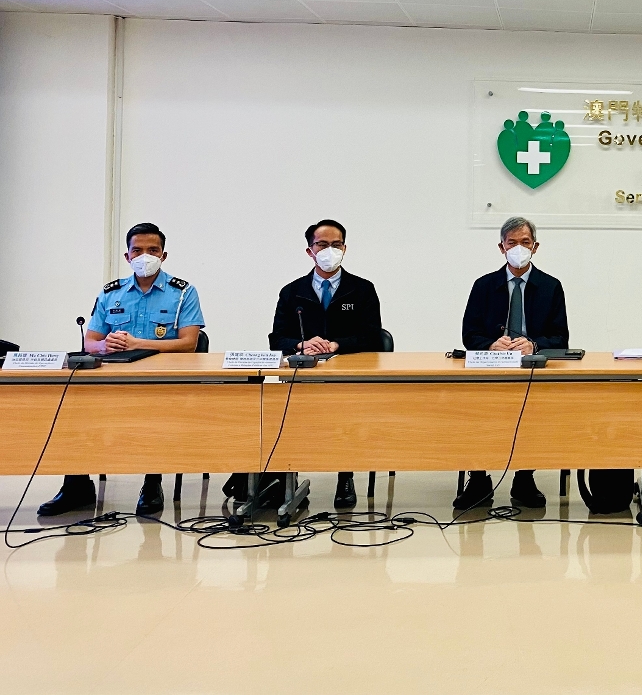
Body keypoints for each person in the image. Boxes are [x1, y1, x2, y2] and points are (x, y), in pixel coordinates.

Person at [38, 223, 206, 517]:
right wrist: (104, 346)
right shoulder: (111, 293)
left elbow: (190, 343)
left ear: (163, 255)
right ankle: (77, 486)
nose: (145, 256)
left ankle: (152, 483)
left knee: (154, 413)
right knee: (73, 407)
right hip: (114, 380)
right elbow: (90, 342)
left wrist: (139, 343)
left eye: (152, 250)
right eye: (137, 250)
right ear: (127, 257)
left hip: (162, 382)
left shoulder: (183, 292)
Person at [239, 219, 384, 510]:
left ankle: (345, 475)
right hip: (303, 376)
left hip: (348, 376)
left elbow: (372, 336)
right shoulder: (292, 291)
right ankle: (286, 478)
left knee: (346, 420)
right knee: (283, 413)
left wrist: (337, 344)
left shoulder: (362, 289)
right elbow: (277, 338)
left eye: (336, 244)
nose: (330, 250)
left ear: (345, 248)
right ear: (310, 251)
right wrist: (300, 344)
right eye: (322, 245)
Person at [457, 216, 569, 510]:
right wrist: (490, 344)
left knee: (534, 412)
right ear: (501, 247)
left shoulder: (550, 286)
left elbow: (560, 337)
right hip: (491, 368)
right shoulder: (484, 286)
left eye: (525, 242)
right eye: (512, 243)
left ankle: (524, 478)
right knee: (476, 413)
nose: (519, 248)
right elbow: (469, 334)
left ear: (535, 247)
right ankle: (478, 479)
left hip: (532, 369)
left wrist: (534, 344)